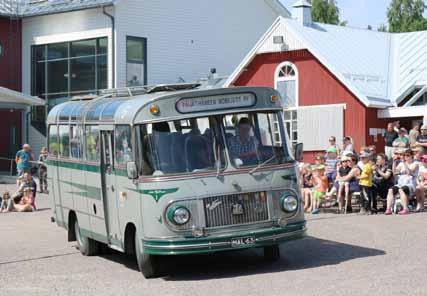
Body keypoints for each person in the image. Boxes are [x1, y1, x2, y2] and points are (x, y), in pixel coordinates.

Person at [385, 149, 419, 215]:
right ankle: (388, 209)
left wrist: (404, 163)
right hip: (400, 183)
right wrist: (394, 162)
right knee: (390, 190)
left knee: (401, 190)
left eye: (407, 155)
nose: (406, 157)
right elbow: (394, 172)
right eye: (405, 155)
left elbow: (409, 172)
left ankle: (405, 209)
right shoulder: (401, 164)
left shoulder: (415, 163)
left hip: (410, 184)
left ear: (412, 156)